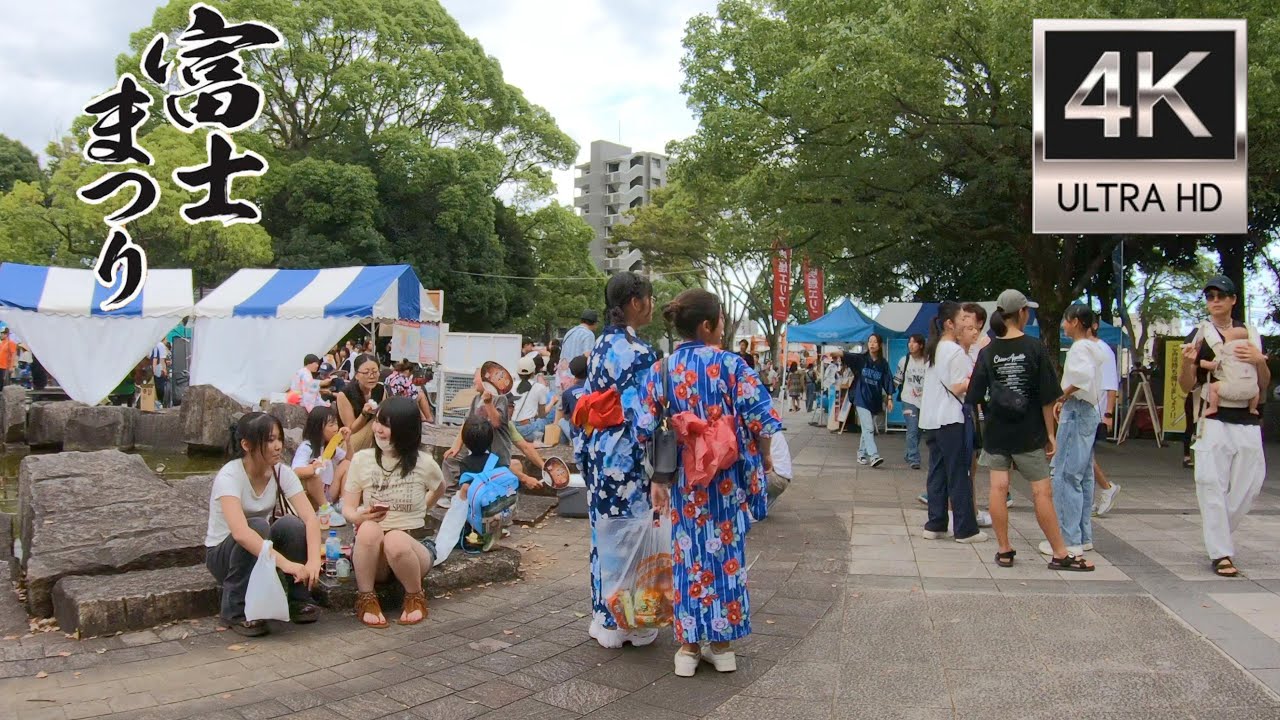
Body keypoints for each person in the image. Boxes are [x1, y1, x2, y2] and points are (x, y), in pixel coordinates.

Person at [639, 288, 779, 677]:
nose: (722, 326)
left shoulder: (661, 370)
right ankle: (722, 646)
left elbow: (644, 427)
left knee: (687, 557)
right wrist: (763, 455)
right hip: (726, 478)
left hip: (684, 480)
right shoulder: (732, 366)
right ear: (706, 325)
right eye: (720, 320)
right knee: (726, 557)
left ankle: (687, 647)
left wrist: (657, 478)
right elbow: (762, 420)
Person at [967, 290, 1092, 571]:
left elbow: (974, 395)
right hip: (1029, 432)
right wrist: (1051, 434)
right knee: (1041, 492)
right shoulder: (1035, 348)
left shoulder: (988, 352)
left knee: (998, 489)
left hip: (997, 432)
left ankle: (1004, 550)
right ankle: (1060, 553)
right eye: (1028, 311)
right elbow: (1048, 397)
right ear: (1021, 313)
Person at [573, 271, 659, 649]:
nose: (652, 305)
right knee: (632, 535)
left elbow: (587, 402)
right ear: (636, 302)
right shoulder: (640, 352)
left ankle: (603, 615)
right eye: (649, 298)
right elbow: (645, 416)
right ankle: (632, 623)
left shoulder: (599, 347)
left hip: (597, 449)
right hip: (626, 455)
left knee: (604, 534)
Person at [1179, 275, 1268, 578]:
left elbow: (1263, 384)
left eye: (1220, 295)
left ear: (1232, 300)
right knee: (1210, 484)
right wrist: (1187, 363)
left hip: (1246, 417)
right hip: (1214, 418)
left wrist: (1260, 361)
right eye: (1210, 296)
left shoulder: (1251, 334)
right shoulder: (1200, 335)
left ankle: (1219, 534)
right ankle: (1221, 553)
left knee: (1251, 484)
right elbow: (1186, 385)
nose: (1215, 301)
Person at [204, 412, 323, 636]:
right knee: (257, 526)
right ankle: (235, 612)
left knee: (291, 524)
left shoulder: (282, 472)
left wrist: (314, 560)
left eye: (279, 438)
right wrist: (287, 564)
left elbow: (310, 518)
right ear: (246, 445)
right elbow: (240, 533)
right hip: (223, 555)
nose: (278, 446)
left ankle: (298, 600)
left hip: (261, 549)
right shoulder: (229, 476)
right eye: (269, 440)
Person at [341, 396, 446, 627]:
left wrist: (422, 508)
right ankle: (366, 598)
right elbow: (347, 508)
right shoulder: (362, 460)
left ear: (405, 430)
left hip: (412, 548)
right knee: (369, 529)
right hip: (374, 554)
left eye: (387, 425)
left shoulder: (424, 463)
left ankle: (415, 597)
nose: (378, 429)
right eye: (378, 421)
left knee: (396, 539)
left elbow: (439, 489)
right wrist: (360, 516)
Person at [1046, 304, 1108, 559]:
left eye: (1066, 320)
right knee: (1082, 475)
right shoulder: (1095, 347)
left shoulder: (1080, 348)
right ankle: (1082, 536)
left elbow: (1080, 378)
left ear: (1075, 321)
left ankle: (1067, 538)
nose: (1063, 325)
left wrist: (1061, 396)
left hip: (1078, 409)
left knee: (1064, 474)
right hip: (1089, 409)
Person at [919, 302, 985, 544]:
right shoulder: (954, 351)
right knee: (959, 473)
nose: (967, 322)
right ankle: (965, 529)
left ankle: (935, 523)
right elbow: (959, 386)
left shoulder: (935, 348)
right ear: (950, 323)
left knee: (937, 472)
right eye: (963, 317)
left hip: (932, 420)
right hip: (951, 419)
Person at [291, 406, 350, 526]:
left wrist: (348, 442)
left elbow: (349, 460)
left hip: (329, 492)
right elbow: (296, 471)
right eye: (331, 425)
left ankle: (343, 504)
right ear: (318, 428)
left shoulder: (330, 447)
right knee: (313, 475)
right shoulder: (307, 447)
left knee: (346, 464)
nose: (336, 428)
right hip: (314, 495)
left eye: (336, 424)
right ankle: (325, 509)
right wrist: (313, 468)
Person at [842, 334, 895, 467]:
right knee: (869, 428)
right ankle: (874, 456)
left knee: (867, 429)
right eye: (870, 341)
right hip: (861, 397)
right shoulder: (862, 359)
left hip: (874, 399)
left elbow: (888, 380)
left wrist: (889, 398)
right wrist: (840, 353)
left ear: (879, 345)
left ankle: (861, 454)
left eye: (875, 342)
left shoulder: (883, 363)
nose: (872, 344)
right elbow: (849, 357)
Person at [1089, 321, 1121, 517]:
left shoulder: (1103, 349)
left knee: (1084, 455)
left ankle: (1107, 487)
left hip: (1095, 410)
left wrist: (1108, 414)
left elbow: (1111, 385)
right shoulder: (1083, 347)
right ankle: (1103, 490)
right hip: (1084, 409)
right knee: (1084, 456)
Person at [1201, 326, 1260, 416]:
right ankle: (1252, 408)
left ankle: (1213, 407)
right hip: (1252, 391)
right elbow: (1262, 358)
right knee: (1257, 389)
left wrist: (1203, 363)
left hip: (1233, 389)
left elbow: (1216, 365)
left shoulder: (1227, 351)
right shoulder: (1252, 352)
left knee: (1213, 387)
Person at [335, 354, 383, 454]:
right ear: (356, 375)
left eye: (375, 372)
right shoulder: (344, 394)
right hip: (349, 440)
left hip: (374, 437)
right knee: (376, 423)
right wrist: (364, 414)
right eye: (366, 372)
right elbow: (351, 429)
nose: (371, 376)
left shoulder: (380, 389)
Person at [896, 334, 927, 470]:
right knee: (912, 428)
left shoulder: (927, 361)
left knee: (919, 430)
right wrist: (888, 395)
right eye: (909, 342)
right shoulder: (904, 360)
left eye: (914, 342)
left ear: (921, 345)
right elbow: (897, 379)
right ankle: (914, 458)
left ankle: (909, 453)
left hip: (924, 400)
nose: (911, 345)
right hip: (908, 399)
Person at [511, 356, 551, 442]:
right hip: (529, 430)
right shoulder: (540, 387)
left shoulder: (511, 386)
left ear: (517, 372)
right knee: (544, 421)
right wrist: (552, 403)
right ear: (533, 372)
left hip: (512, 429)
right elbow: (541, 414)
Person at [558, 355, 589, 446]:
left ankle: (565, 447)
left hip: (578, 434)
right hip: (594, 430)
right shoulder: (594, 388)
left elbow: (566, 416)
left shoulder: (568, 393)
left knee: (561, 421)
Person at [151, 338, 171, 407]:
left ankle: (155, 402)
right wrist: (164, 369)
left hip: (152, 370)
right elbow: (162, 359)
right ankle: (160, 402)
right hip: (159, 369)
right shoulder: (161, 345)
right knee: (160, 386)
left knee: (154, 386)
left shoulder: (151, 344)